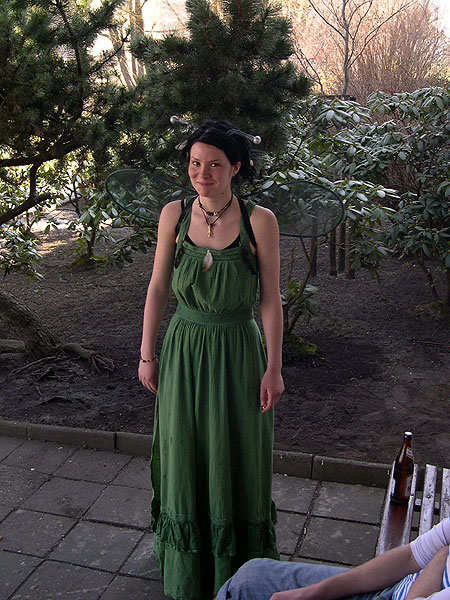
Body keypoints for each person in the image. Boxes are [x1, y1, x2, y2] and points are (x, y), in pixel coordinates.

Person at [138, 119, 285, 600]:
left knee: (235, 449)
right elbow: (158, 286)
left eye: (215, 165)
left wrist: (273, 368)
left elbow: (270, 299)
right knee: (184, 446)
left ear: (236, 168)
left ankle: (237, 566)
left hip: (238, 353)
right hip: (183, 349)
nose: (202, 174)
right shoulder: (174, 214)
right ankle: (188, 566)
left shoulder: (259, 220)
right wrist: (147, 354)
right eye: (195, 163)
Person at [215, 516, 450, 600]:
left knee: (243, 592)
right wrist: (311, 593)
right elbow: (410, 556)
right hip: (397, 587)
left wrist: (439, 558)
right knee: (248, 579)